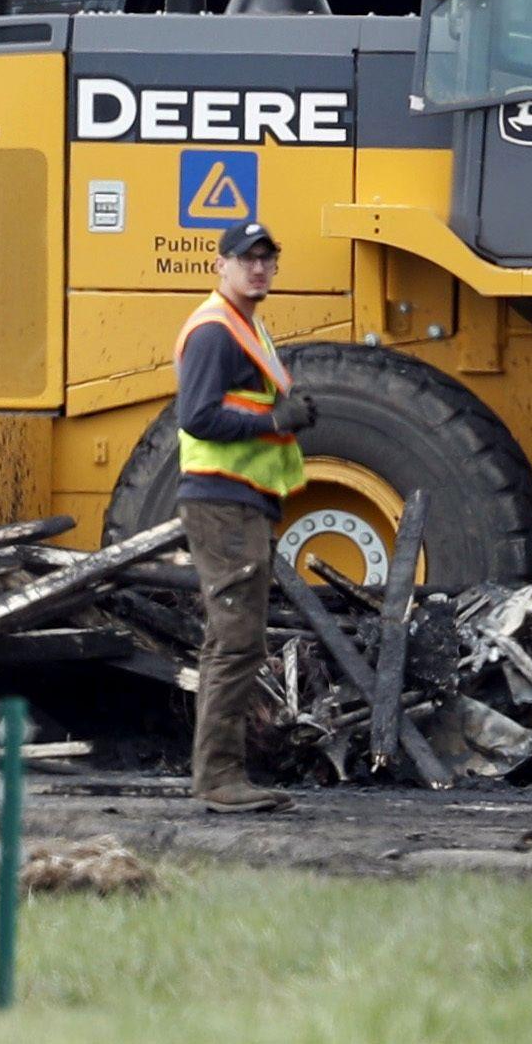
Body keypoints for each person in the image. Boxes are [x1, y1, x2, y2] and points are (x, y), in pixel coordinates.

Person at [169, 221, 315, 813]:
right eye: (246, 259)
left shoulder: (245, 326)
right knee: (233, 641)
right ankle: (219, 778)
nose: (258, 269)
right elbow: (196, 418)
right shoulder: (215, 332)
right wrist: (273, 423)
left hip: (241, 500)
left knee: (236, 639)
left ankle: (220, 773)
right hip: (221, 501)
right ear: (220, 265)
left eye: (267, 260)